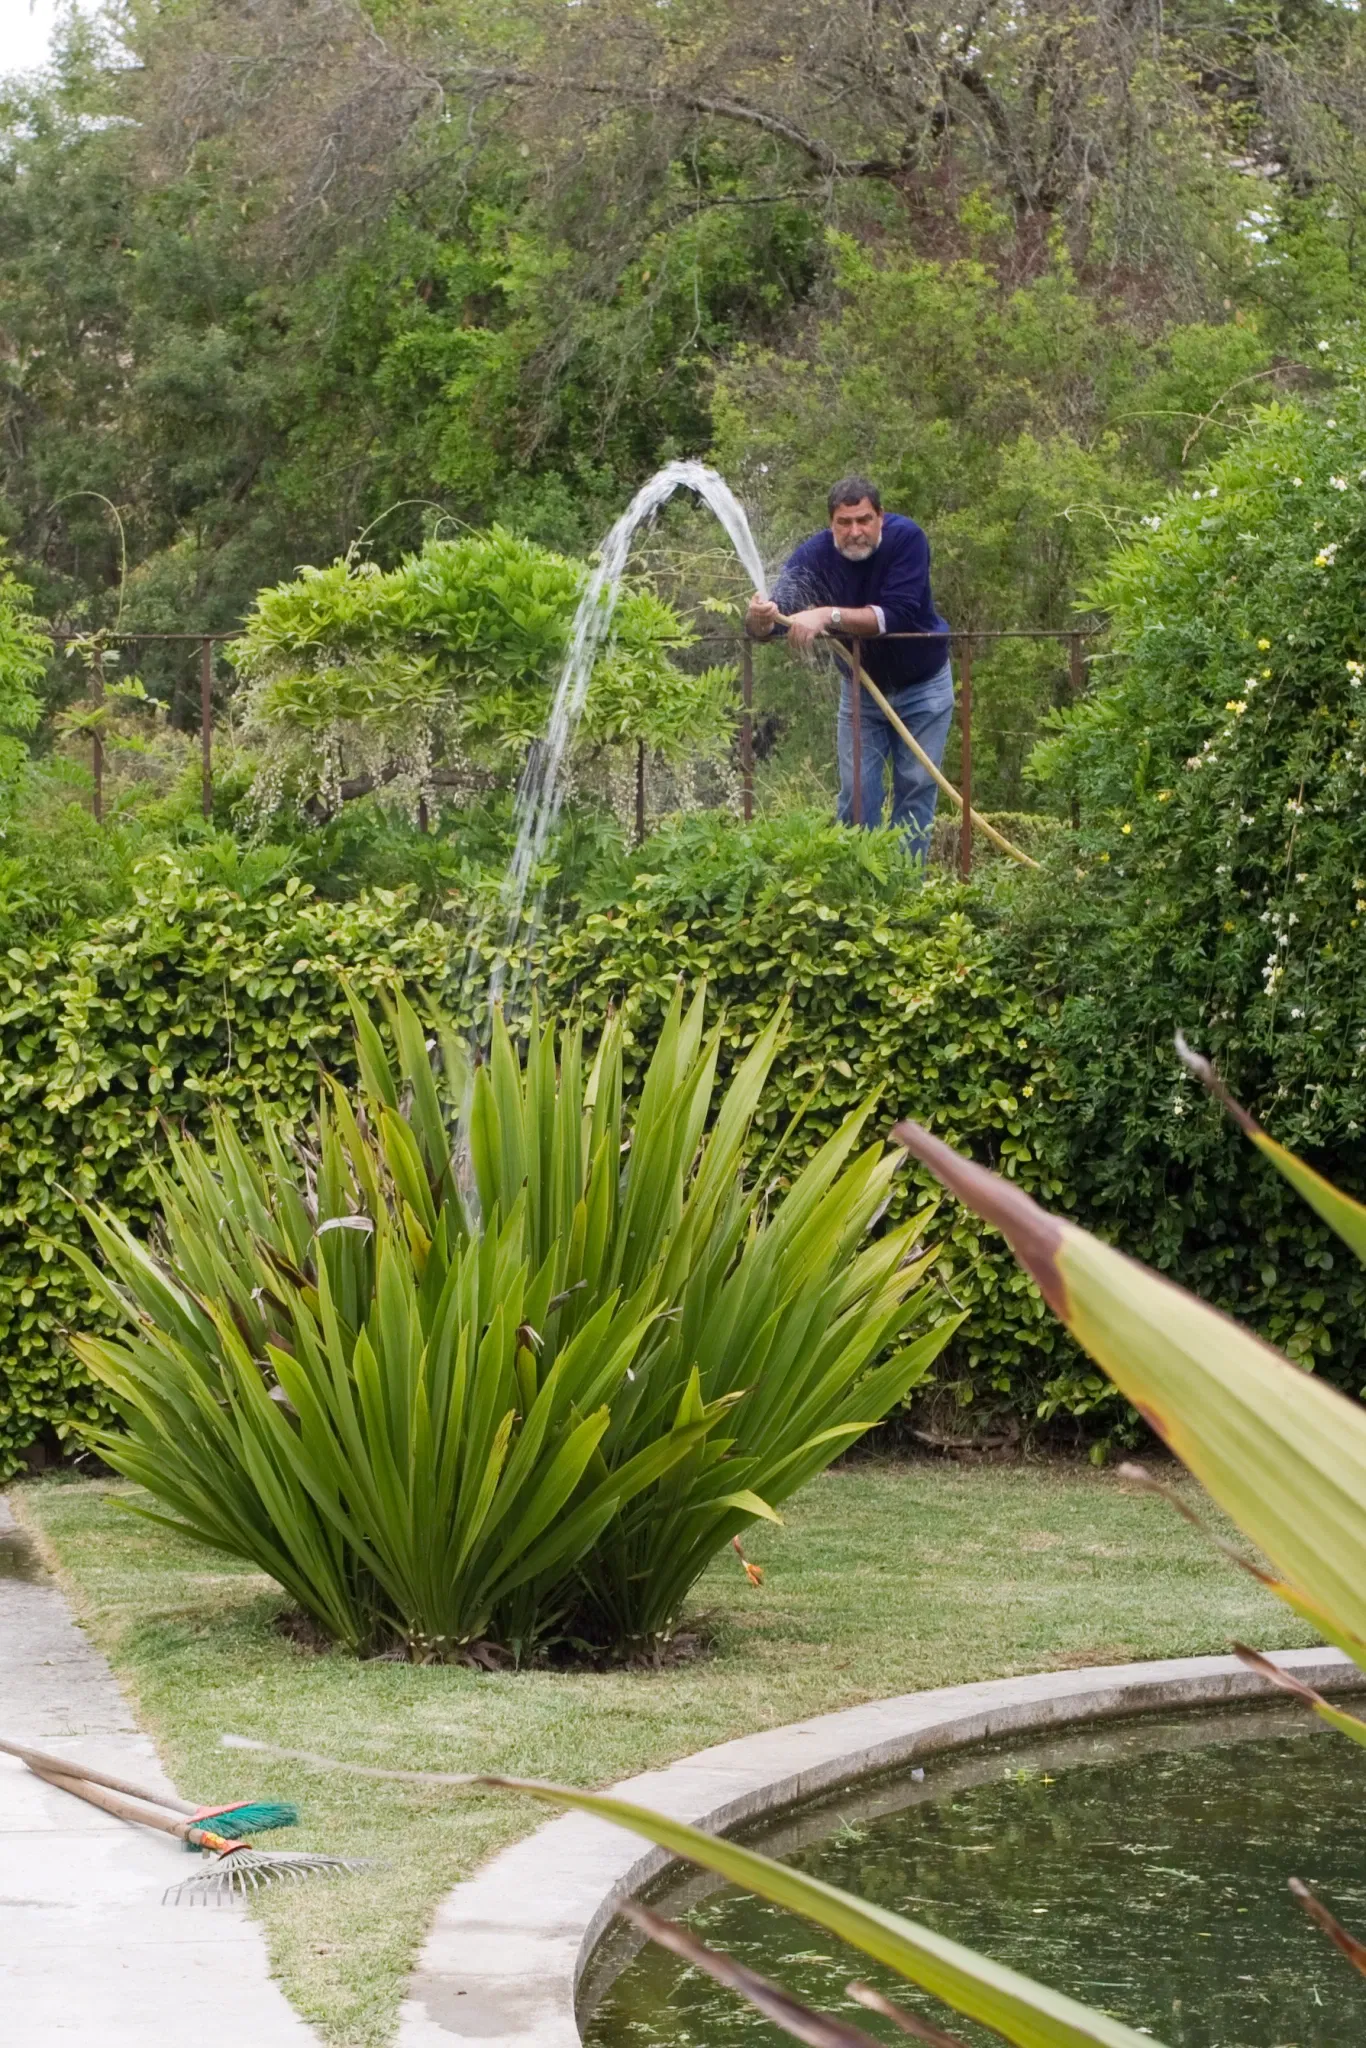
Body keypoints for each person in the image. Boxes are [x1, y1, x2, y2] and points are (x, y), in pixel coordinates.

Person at [746, 476, 953, 855]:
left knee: (916, 790)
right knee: (857, 795)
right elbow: (779, 618)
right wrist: (760, 619)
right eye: (844, 522)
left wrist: (827, 615)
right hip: (861, 690)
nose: (855, 531)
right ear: (831, 524)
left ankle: (904, 894)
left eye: (863, 520)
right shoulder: (816, 555)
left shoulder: (908, 540)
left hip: (925, 688)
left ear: (880, 518)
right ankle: (856, 894)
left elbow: (897, 615)